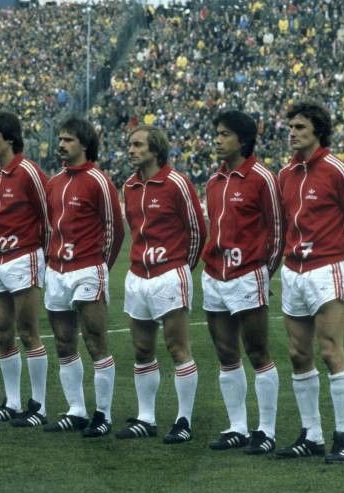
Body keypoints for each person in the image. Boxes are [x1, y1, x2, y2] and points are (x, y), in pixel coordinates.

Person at [275, 101, 344, 464]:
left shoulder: (337, 169)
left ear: (318, 131)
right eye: (291, 127)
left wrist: (341, 264)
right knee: (298, 354)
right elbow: (283, 224)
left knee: (330, 351)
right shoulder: (285, 174)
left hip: (327, 268)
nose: (292, 133)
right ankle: (311, 435)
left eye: (300, 127)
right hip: (293, 271)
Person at [116, 125, 205, 444]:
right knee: (142, 349)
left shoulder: (176, 183)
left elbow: (197, 231)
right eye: (130, 144)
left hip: (169, 274)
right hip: (137, 275)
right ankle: (146, 418)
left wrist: (180, 267)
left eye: (138, 145)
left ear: (155, 150)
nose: (131, 150)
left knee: (177, 348)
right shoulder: (129, 186)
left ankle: (184, 420)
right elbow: (134, 230)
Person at [201, 111, 283, 454]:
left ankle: (266, 430)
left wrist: (263, 272)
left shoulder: (262, 177)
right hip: (214, 275)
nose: (218, 139)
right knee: (226, 353)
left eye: (225, 134)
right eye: (217, 133)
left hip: (248, 275)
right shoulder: (214, 181)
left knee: (258, 352)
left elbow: (277, 231)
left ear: (243, 140)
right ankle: (237, 426)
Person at [42, 116, 123, 437]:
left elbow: (115, 229)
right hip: (56, 270)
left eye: (69, 140)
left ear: (85, 145)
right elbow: (49, 227)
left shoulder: (98, 180)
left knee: (94, 340)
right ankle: (75, 410)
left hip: (87, 268)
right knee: (64, 341)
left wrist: (100, 266)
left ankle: (103, 414)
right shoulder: (54, 182)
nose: (61, 144)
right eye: (60, 139)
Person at [0, 110, 50, 427]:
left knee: (28, 332)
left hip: (24, 257)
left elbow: (47, 216)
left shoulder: (28, 172)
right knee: (2, 332)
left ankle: (39, 406)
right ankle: (12, 402)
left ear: (10, 139)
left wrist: (44, 255)